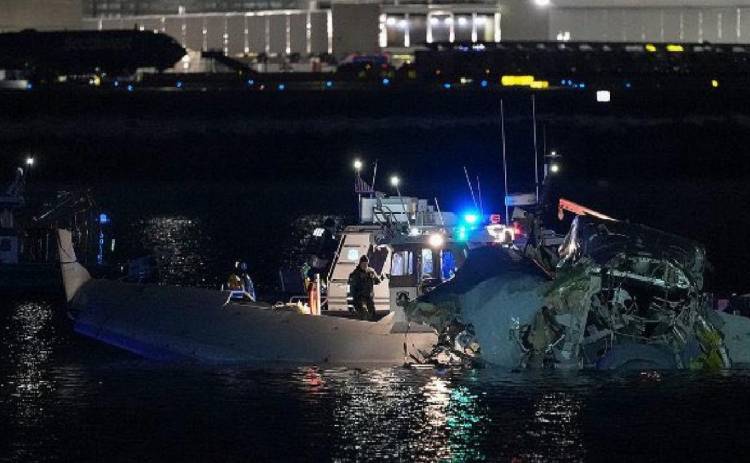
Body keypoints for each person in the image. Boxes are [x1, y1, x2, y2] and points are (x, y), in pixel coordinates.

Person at [348, 255, 381, 321]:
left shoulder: (371, 271)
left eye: (366, 264)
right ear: (360, 264)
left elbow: (377, 281)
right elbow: (351, 289)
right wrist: (351, 305)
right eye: (363, 264)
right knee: (364, 313)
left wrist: (375, 278)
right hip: (359, 298)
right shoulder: (355, 274)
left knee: (373, 315)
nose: (365, 265)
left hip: (369, 297)